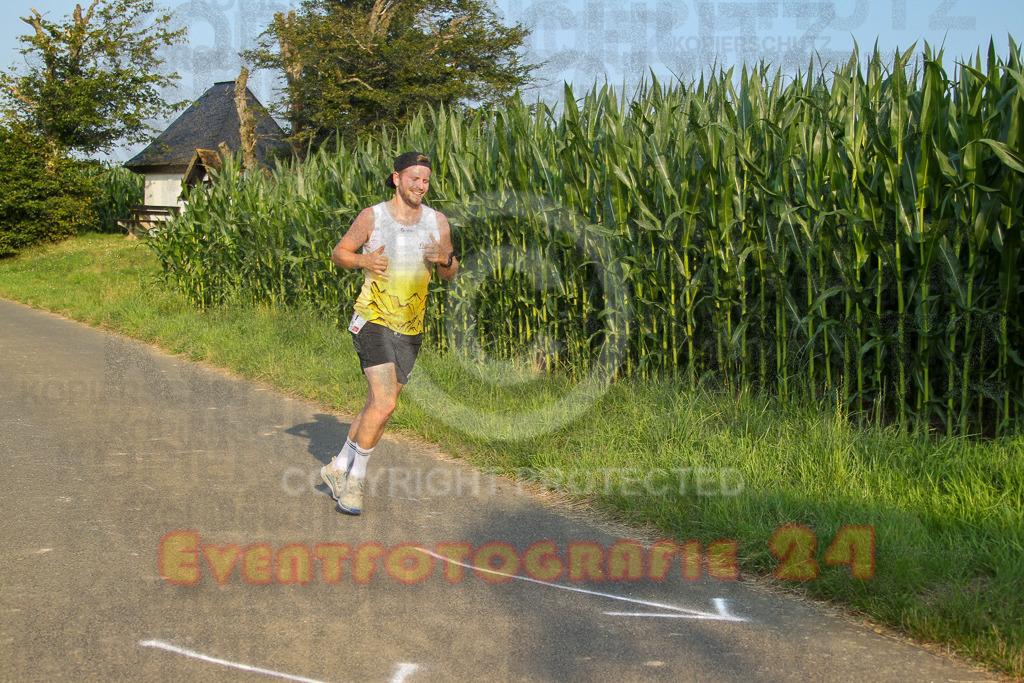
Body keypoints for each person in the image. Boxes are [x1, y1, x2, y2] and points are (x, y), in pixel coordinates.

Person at [323, 151, 458, 515]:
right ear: (397, 178)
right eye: (414, 177)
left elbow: (450, 272)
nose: (421, 185)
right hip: (373, 318)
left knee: (377, 408)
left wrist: (444, 259)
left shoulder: (437, 221)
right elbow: (339, 253)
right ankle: (355, 482)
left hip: (411, 327)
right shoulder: (373, 216)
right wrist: (364, 260)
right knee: (385, 403)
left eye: (426, 179)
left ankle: (336, 468)